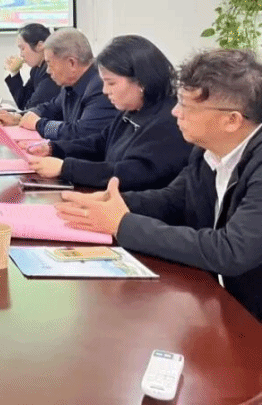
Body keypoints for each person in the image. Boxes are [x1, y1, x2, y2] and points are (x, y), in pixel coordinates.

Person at [57, 48, 262, 322]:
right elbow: (173, 200)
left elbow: (231, 250)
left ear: (231, 120)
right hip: (218, 303)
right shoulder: (206, 152)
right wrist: (110, 204)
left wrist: (123, 224)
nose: (175, 112)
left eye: (186, 106)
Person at [25, 35, 192, 190]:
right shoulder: (132, 109)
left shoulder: (168, 121)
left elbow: (132, 172)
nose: (105, 90)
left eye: (111, 83)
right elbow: (100, 142)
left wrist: (65, 166)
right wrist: (53, 148)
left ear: (141, 81)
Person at [0, 28, 117, 141]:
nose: (48, 70)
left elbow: (80, 133)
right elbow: (50, 108)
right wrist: (18, 117)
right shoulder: (70, 83)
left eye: (50, 64)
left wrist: (39, 124)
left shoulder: (101, 86)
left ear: (71, 63)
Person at [3, 23, 61, 110]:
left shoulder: (50, 71)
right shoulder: (36, 70)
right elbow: (23, 103)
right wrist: (15, 73)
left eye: (22, 48)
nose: (21, 54)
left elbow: (31, 108)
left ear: (40, 46)